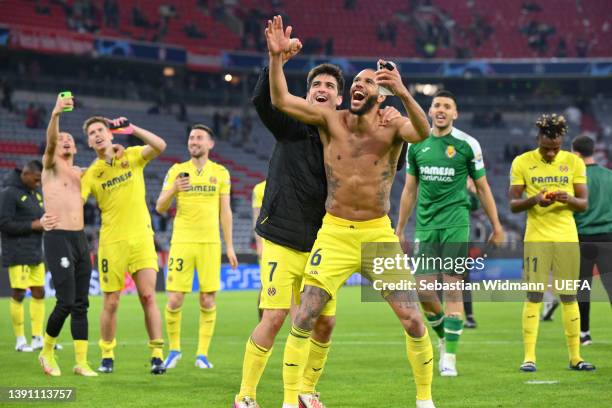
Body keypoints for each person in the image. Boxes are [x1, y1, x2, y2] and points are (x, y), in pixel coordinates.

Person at [266, 16, 435, 408]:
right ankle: (292, 400)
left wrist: (404, 93)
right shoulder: (331, 120)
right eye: (355, 82)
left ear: (382, 93)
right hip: (335, 232)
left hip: (378, 233)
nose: (359, 85)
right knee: (306, 314)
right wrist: (276, 60)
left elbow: (424, 132)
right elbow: (281, 100)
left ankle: (425, 400)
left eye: (368, 82)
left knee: (411, 318)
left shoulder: (393, 124)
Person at [234, 39, 404, 408]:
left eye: (329, 86)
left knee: (324, 324)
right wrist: (275, 60)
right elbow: (266, 101)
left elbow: (389, 166)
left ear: (340, 99)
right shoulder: (289, 124)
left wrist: (388, 121)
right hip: (281, 236)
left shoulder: (351, 132)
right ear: (307, 95)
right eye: (315, 86)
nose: (322, 90)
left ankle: (306, 392)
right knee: (275, 316)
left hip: (323, 243)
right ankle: (245, 396)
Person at [395, 90, 505, 376]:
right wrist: (399, 227)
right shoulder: (416, 144)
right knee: (423, 290)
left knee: (453, 287)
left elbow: (482, 188)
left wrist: (497, 225)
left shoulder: (468, 145)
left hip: (456, 223)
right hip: (426, 225)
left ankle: (450, 359)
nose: (441, 109)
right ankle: (445, 336)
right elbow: (409, 189)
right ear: (430, 112)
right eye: (437, 105)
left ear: (455, 113)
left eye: (447, 106)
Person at [80, 115, 167, 374]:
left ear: (110, 134)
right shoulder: (91, 174)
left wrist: (133, 128)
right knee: (111, 302)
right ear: (88, 141)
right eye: (92, 132)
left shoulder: (132, 155)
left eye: (100, 130)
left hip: (141, 238)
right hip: (111, 243)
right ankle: (107, 355)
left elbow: (160, 145)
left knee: (148, 296)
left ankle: (157, 354)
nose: (97, 134)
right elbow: (77, 202)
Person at [509, 113, 594, 372]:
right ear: (538, 140)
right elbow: (513, 204)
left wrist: (567, 198)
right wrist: (535, 200)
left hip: (566, 238)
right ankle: (529, 357)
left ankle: (576, 357)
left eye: (555, 148)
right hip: (536, 238)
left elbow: (583, 204)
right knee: (534, 295)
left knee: (569, 296)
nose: (550, 153)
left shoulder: (573, 162)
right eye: (546, 149)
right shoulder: (522, 162)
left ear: (563, 142)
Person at [155, 124, 238, 370]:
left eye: (199, 138)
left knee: (207, 299)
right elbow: (160, 206)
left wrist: (230, 246)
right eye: (191, 137)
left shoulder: (221, 173)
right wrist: (173, 189)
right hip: (181, 241)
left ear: (210, 144)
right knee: (175, 299)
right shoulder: (177, 171)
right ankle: (174, 350)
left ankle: (202, 354)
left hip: (210, 243)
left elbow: (226, 211)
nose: (194, 141)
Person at [37, 94, 98, 376]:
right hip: (57, 237)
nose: (65, 140)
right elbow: (51, 139)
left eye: (70, 139)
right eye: (61, 138)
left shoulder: (80, 172)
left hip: (79, 239)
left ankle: (81, 362)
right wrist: (56, 114)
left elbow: (103, 168)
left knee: (82, 304)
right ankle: (47, 351)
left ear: (76, 146)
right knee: (66, 301)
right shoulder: (50, 165)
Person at [0, 160, 45, 353]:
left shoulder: (34, 192)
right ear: (25, 174)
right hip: (18, 252)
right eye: (36, 179)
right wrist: (32, 225)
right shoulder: (8, 193)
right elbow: (4, 224)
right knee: (18, 293)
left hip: (36, 251)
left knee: (40, 292)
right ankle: (20, 339)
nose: (38, 183)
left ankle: (38, 337)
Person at [571, 135, 612, 345]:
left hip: (582, 237)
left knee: (582, 287)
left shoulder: (575, 178)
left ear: (576, 153)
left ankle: (584, 333)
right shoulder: (609, 176)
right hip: (608, 237)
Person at [251, 179, 266, 322]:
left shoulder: (290, 183)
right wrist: (259, 244)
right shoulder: (260, 188)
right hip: (268, 244)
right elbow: (257, 218)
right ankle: (262, 322)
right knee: (266, 287)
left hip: (289, 242)